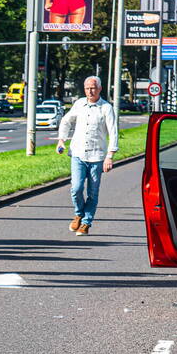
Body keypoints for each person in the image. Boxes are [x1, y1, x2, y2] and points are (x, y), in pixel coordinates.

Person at [57, 75, 118, 236]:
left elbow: (113, 132)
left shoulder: (106, 108)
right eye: (87, 88)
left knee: (92, 192)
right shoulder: (79, 104)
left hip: (97, 156)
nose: (90, 91)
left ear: (100, 89)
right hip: (78, 153)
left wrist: (110, 156)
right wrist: (61, 140)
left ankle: (86, 222)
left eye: (93, 88)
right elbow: (66, 121)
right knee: (76, 188)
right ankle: (78, 213)